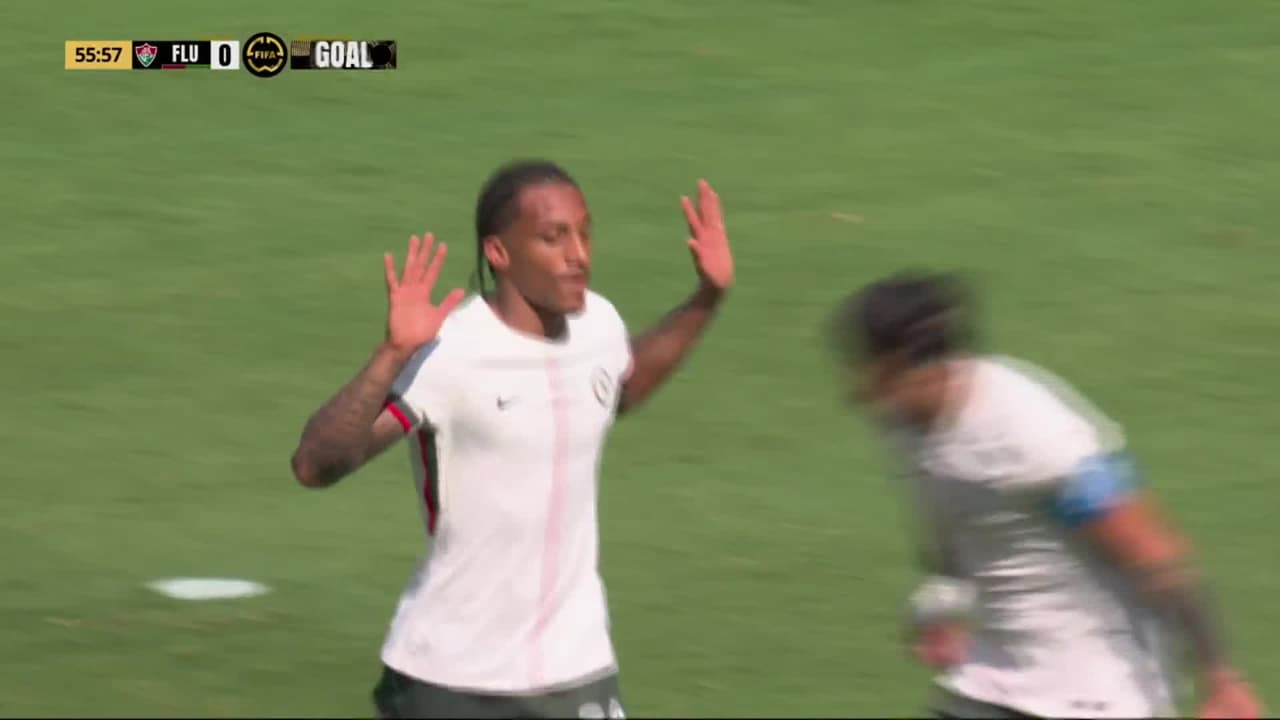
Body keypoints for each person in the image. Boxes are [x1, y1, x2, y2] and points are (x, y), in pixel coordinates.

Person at [289, 159, 734, 719]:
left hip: (576, 666)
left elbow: (615, 388)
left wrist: (705, 299)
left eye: (585, 233)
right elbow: (316, 465)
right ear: (499, 253)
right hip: (451, 680)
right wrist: (392, 355)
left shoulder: (599, 326)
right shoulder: (452, 351)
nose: (579, 254)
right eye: (554, 237)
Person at [825, 271, 1262, 720]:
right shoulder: (904, 421)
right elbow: (954, 524)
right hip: (991, 678)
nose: (856, 387)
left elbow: (1154, 556)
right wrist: (944, 602)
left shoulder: (1037, 438)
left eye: (867, 365)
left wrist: (1221, 678)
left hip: (1098, 692)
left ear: (904, 364)